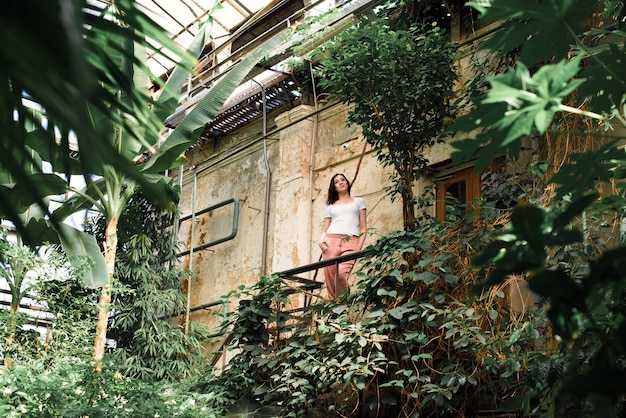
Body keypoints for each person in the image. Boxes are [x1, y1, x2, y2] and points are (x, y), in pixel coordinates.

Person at [318, 173, 367, 299]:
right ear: (334, 187)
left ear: (347, 182)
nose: (340, 182)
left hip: (351, 242)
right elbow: (326, 227)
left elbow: (363, 228)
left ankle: (344, 305)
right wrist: (321, 241)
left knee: (341, 274)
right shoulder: (330, 206)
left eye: (343, 179)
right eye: (336, 182)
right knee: (330, 282)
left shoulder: (359, 201)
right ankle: (335, 311)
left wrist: (358, 246)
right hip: (330, 241)